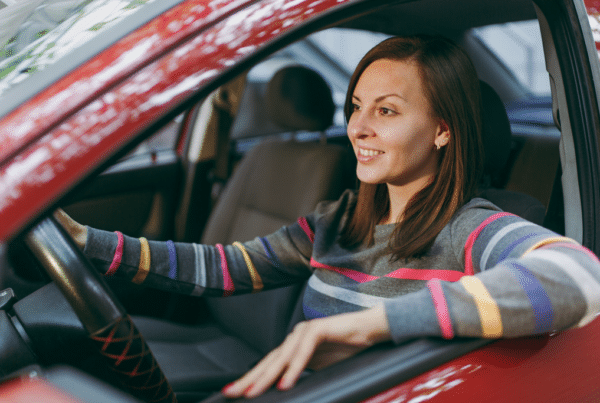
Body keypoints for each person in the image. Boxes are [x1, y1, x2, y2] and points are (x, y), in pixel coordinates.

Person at [56, 35, 600, 399]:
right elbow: (225, 267)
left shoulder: (470, 230)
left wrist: (369, 326)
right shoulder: (336, 221)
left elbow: (581, 277)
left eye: (386, 110)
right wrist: (88, 242)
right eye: (356, 106)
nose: (357, 128)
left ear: (442, 130)